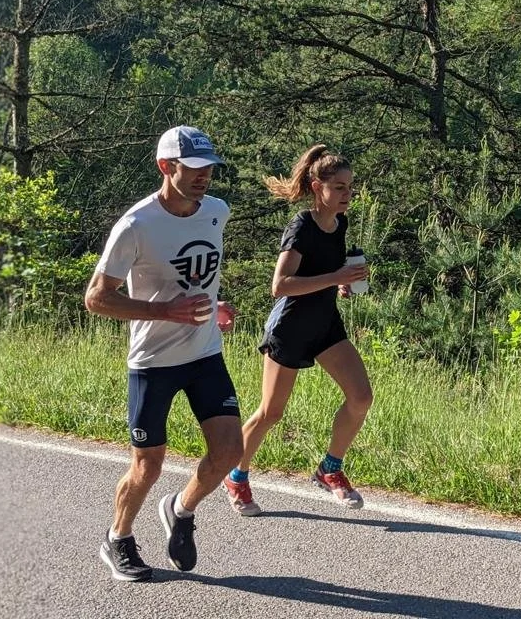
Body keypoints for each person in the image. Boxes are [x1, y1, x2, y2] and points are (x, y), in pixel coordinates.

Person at [85, 125, 244, 582]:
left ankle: (180, 509)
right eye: (193, 168)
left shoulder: (216, 211)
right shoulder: (136, 225)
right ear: (165, 167)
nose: (204, 177)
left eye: (209, 168)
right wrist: (165, 311)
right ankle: (118, 538)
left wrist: (215, 305)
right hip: (153, 362)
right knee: (148, 465)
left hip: (204, 354)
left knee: (230, 448)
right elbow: (96, 298)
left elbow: (197, 276)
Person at [223, 144, 373, 515]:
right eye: (338, 187)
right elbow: (281, 285)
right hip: (289, 328)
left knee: (361, 397)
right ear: (315, 185)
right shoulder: (301, 225)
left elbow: (322, 274)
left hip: (324, 325)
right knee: (270, 413)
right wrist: (335, 276)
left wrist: (342, 284)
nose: (347, 195)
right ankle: (236, 476)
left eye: (350, 187)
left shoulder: (340, 224)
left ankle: (330, 469)